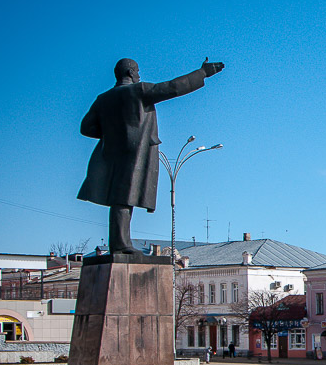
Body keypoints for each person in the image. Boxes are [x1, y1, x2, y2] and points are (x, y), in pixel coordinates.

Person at [78, 57, 225, 254]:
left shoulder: (102, 99)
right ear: (130, 72)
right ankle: (121, 244)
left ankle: (119, 243)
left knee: (119, 198)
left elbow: (86, 127)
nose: (139, 74)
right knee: (124, 198)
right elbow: (173, 87)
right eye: (137, 71)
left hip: (111, 153)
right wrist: (203, 73)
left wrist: (113, 133)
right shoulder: (138, 90)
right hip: (135, 152)